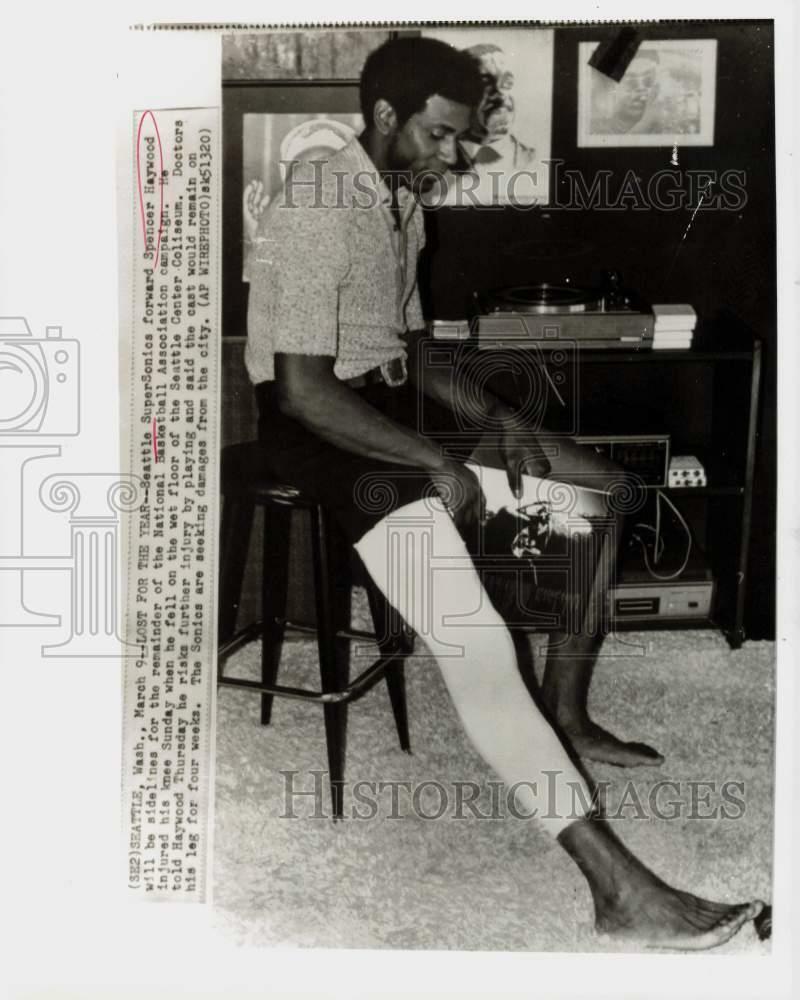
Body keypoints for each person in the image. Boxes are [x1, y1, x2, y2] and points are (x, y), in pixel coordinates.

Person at [245, 35, 764, 948]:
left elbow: (414, 348)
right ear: (384, 118)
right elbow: (301, 390)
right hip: (319, 429)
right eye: (441, 137)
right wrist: (437, 465)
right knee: (475, 640)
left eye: (462, 139)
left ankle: (564, 714)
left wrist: (504, 425)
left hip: (383, 397)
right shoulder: (321, 201)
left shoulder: (399, 199)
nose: (455, 156)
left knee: (602, 494)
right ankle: (615, 888)